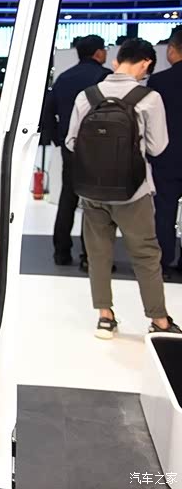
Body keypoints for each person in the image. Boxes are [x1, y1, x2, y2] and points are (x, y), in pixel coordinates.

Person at [66, 38, 181, 338]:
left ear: (117, 60)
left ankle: (105, 317)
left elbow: (72, 142)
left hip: (91, 190)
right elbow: (157, 147)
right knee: (145, 254)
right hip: (133, 192)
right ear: (145, 63)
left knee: (98, 253)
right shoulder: (149, 98)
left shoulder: (87, 96)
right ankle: (159, 320)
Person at [42, 35, 112, 268]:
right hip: (98, 147)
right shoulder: (104, 77)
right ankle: (89, 256)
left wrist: (58, 139)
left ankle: (61, 252)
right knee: (93, 202)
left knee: (68, 198)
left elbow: (48, 111)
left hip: (69, 146)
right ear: (98, 53)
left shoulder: (64, 77)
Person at [148, 29, 182, 280]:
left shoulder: (158, 82)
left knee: (165, 212)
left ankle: (164, 262)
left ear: (172, 49)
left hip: (167, 157)